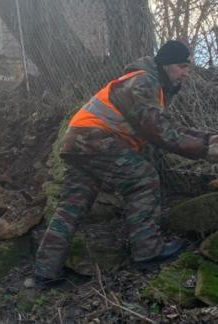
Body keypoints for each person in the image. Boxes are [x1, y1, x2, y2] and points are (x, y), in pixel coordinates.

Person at [33, 40, 218, 288]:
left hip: (78, 142)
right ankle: (148, 251)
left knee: (71, 206)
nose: (186, 73)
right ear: (166, 65)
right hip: (95, 140)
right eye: (182, 66)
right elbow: (160, 132)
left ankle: (45, 272)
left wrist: (206, 138)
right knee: (143, 179)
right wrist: (206, 150)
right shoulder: (144, 81)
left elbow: (166, 125)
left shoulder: (148, 83)